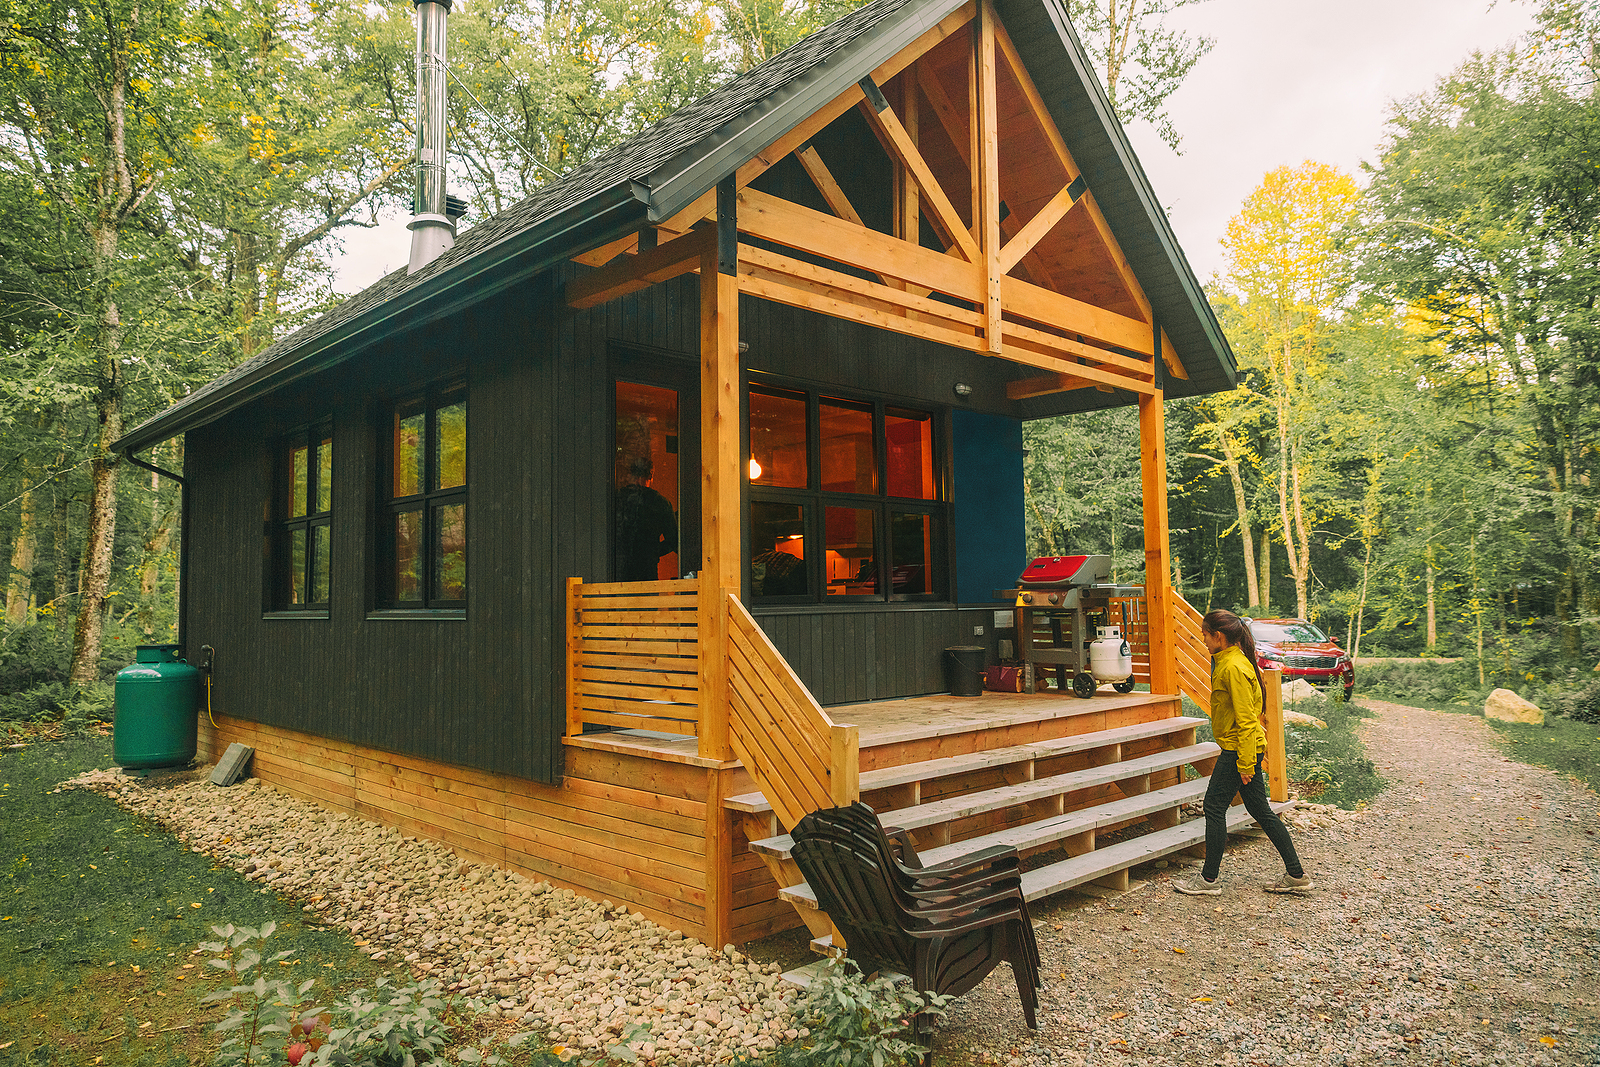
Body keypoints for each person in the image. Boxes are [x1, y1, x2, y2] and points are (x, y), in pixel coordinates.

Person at [1173, 609, 1314, 896]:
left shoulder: (1233, 667)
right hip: (1244, 749)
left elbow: (1247, 721)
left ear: (1219, 636)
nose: (1202, 639)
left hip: (1239, 750)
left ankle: (1208, 881)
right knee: (1261, 811)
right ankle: (1296, 875)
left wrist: (1246, 764)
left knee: (1214, 807)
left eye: (1205, 634)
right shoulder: (1231, 660)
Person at [615, 457, 677, 582]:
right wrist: (651, 551)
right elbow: (673, 540)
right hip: (647, 572)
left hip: (617, 572)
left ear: (630, 475)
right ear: (650, 475)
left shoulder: (616, 499)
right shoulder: (660, 503)